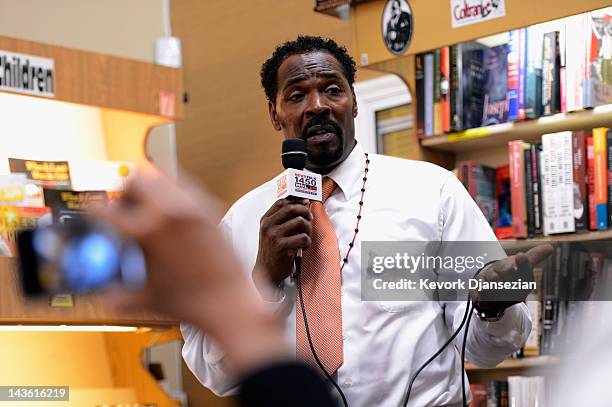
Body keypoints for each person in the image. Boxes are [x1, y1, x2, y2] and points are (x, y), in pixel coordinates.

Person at [181, 35, 551, 406]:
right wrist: (263, 281)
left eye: (332, 90)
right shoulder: (240, 224)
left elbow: (486, 352)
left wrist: (492, 306)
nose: (317, 106)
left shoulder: (431, 192)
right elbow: (214, 374)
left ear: (354, 101)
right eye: (296, 96)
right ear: (274, 114)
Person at [95, 169, 338, 407]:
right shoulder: (239, 219)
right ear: (276, 124)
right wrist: (265, 281)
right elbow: (212, 375)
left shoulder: (378, 202)